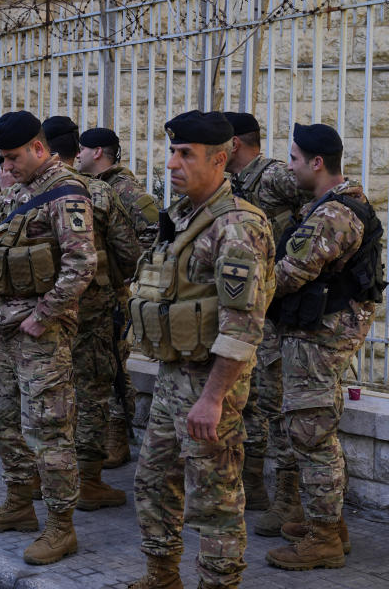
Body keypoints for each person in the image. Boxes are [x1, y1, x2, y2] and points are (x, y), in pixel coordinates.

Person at [126, 111, 274, 589]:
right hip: (174, 377)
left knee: (213, 501)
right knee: (152, 482)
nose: (171, 164)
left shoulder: (237, 227)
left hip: (211, 384)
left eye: (185, 154)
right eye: (172, 152)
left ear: (220, 159)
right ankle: (162, 575)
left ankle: (217, 583)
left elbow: (242, 325)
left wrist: (213, 398)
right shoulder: (187, 217)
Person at [0, 111, 95, 566]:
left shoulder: (66, 192)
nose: (8, 165)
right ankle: (19, 504)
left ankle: (62, 527)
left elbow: (82, 265)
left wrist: (44, 315)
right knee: (4, 421)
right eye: (4, 157)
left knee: (48, 430)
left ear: (39, 148)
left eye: (15, 156)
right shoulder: (19, 193)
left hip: (42, 335)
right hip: (4, 332)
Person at [264, 124, 379, 570]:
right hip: (317, 331)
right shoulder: (328, 206)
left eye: (293, 159)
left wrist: (241, 289)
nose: (288, 167)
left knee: (310, 433)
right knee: (316, 430)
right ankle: (330, 523)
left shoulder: (335, 213)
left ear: (316, 163)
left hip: (321, 334)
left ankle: (324, 538)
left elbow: (290, 273)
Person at [220, 111, 314, 520]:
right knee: (250, 402)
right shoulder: (230, 183)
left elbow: (320, 206)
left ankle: (289, 501)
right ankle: (253, 485)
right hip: (248, 309)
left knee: (277, 407)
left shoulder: (274, 176)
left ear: (234, 144)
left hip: (278, 310)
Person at [43, 117, 141, 511]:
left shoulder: (26, 194)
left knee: (47, 388)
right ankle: (88, 479)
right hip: (93, 308)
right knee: (92, 390)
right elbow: (129, 253)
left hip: (43, 312)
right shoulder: (98, 193)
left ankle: (43, 474)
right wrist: (111, 286)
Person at [77, 127, 160, 469]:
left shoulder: (125, 188)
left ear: (98, 152)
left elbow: (153, 233)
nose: (78, 155)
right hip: (97, 292)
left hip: (112, 294)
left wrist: (132, 272)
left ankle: (117, 436)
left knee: (113, 364)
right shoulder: (91, 187)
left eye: (82, 150)